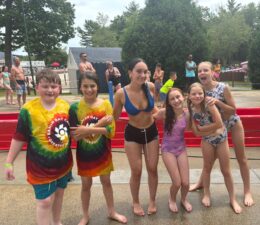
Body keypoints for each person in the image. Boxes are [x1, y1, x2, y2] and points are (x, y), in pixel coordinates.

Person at [4, 68, 73, 225]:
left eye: (54, 86)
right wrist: (9, 162)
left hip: (63, 165)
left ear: (59, 88)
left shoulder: (66, 106)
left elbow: (74, 132)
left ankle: (57, 222)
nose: (50, 90)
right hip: (40, 168)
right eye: (45, 86)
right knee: (44, 202)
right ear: (37, 88)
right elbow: (18, 137)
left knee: (60, 194)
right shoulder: (28, 110)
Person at [190, 61, 254, 207]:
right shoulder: (199, 90)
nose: (202, 73)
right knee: (209, 162)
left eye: (205, 70)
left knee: (241, 158)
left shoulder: (222, 87)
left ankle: (247, 191)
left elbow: (233, 110)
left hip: (232, 122)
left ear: (213, 72)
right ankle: (201, 184)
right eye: (199, 71)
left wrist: (218, 102)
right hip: (217, 128)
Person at [69, 72, 127, 225]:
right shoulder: (75, 108)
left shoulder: (106, 105)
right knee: (86, 185)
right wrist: (100, 125)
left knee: (106, 182)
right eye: (85, 86)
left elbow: (112, 132)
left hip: (103, 153)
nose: (89, 89)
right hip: (85, 155)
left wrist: (87, 130)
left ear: (97, 86)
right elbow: (75, 136)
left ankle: (112, 211)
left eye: (92, 86)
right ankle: (85, 215)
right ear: (80, 87)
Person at [113, 58, 159, 216]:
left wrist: (173, 113)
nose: (143, 74)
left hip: (151, 132)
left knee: (152, 169)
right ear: (130, 73)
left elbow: (155, 109)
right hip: (133, 134)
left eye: (145, 71)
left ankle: (152, 200)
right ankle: (136, 201)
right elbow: (114, 117)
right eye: (139, 71)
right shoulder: (121, 93)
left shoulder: (151, 87)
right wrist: (95, 126)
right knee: (137, 171)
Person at [187, 82, 242, 214]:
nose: (197, 96)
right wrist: (206, 131)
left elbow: (218, 123)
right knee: (207, 168)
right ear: (188, 96)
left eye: (200, 93)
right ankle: (206, 194)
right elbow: (196, 132)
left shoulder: (209, 104)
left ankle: (232, 199)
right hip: (207, 141)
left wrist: (203, 129)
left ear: (204, 94)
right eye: (194, 94)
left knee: (226, 171)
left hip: (221, 140)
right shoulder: (190, 110)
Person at [153, 88, 192, 213]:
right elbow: (150, 119)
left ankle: (184, 199)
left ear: (184, 97)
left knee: (185, 183)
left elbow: (192, 129)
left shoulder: (187, 114)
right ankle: (172, 199)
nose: (176, 100)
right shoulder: (164, 112)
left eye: (178, 97)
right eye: (172, 99)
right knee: (177, 182)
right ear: (168, 102)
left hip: (181, 149)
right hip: (167, 149)